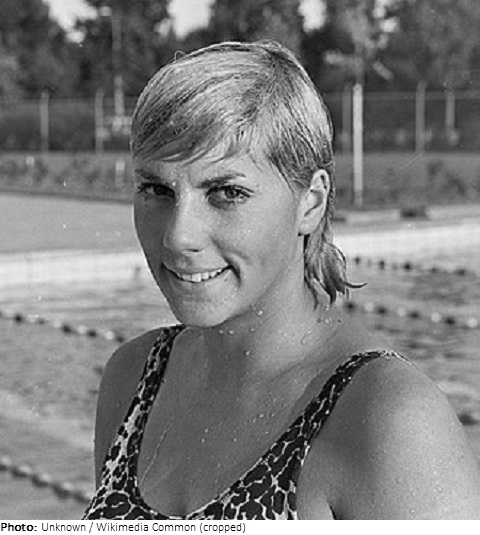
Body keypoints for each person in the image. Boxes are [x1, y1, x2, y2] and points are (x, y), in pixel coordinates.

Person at [83, 41, 480, 520]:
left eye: (227, 192)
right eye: (156, 189)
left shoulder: (387, 419)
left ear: (311, 202)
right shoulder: (133, 379)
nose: (178, 236)